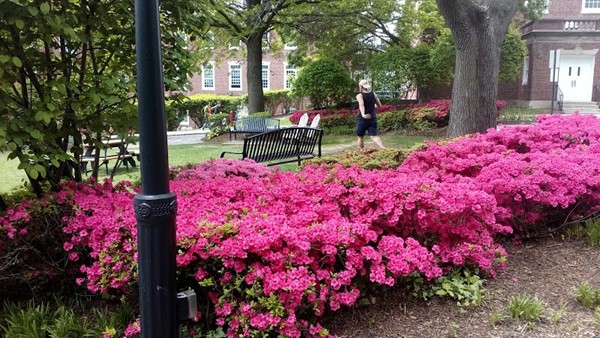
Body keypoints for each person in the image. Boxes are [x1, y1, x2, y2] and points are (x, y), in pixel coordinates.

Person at [356, 79, 385, 149]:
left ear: (361, 87)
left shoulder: (359, 95)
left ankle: (361, 152)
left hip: (363, 119)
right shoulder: (373, 94)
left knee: (360, 136)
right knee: (374, 136)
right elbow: (380, 106)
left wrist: (363, 114)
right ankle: (383, 148)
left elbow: (361, 105)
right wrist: (373, 106)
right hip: (372, 118)